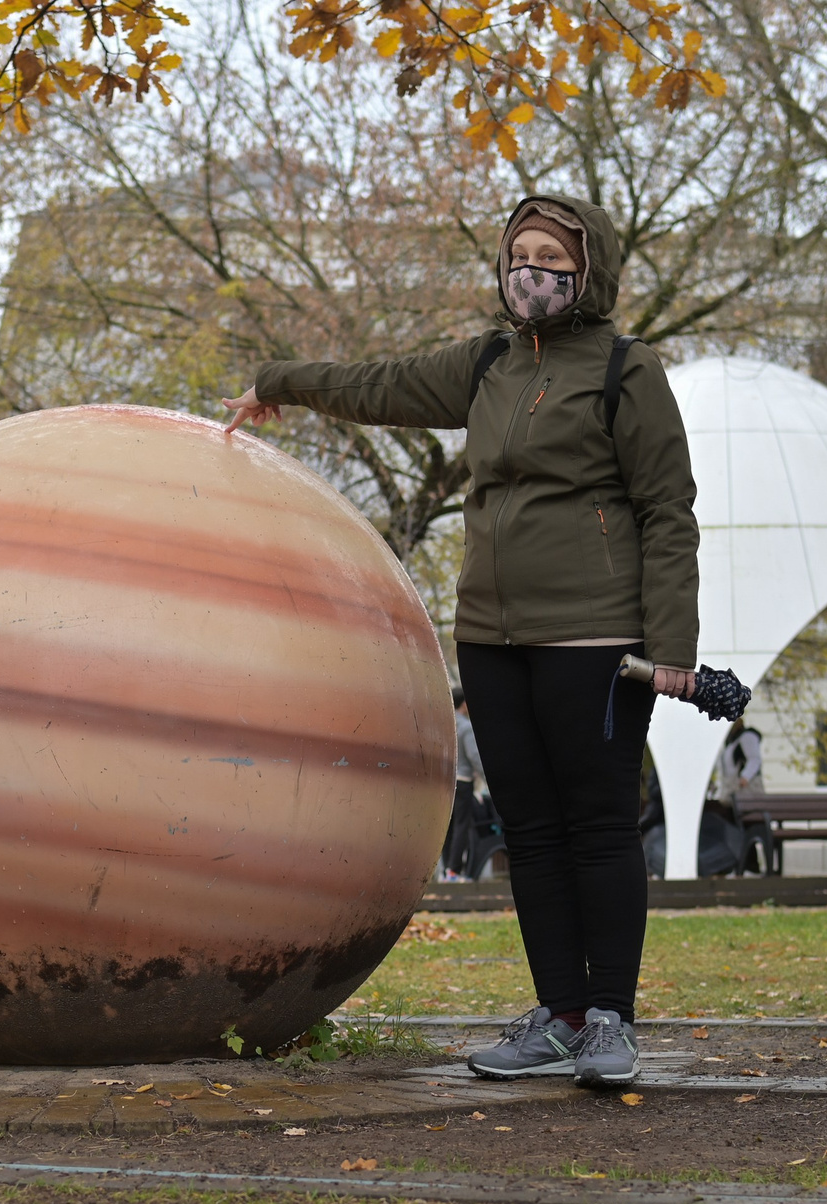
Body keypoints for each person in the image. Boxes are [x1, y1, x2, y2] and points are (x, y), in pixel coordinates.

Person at [222, 193, 699, 1088]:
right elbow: (382, 383)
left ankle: (610, 1022)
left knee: (597, 827)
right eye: (519, 254)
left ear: (588, 268)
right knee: (531, 828)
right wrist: (278, 381)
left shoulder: (628, 371)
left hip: (595, 642)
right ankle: (558, 1013)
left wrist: (671, 639)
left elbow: (669, 511)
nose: (532, 272)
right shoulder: (489, 363)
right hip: (492, 637)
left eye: (552, 256)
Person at [439, 688, 488, 878]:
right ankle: (454, 869)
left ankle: (445, 871)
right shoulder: (465, 727)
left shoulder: (446, 725)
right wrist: (486, 778)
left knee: (446, 828)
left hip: (446, 783)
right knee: (461, 825)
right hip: (464, 780)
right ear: (464, 704)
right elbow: (475, 757)